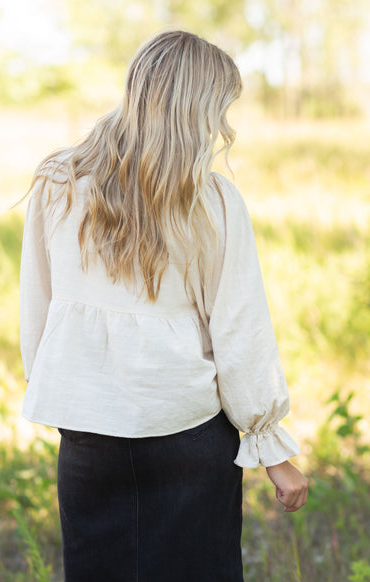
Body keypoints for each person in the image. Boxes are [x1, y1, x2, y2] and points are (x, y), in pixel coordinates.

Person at [19, 30, 308, 582]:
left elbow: (40, 306)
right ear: (198, 108)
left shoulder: (58, 181)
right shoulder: (214, 199)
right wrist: (273, 450)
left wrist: (62, 391)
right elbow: (240, 330)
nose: (223, 127)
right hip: (188, 431)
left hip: (88, 432)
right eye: (221, 110)